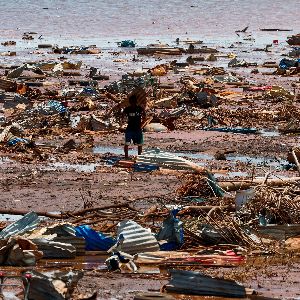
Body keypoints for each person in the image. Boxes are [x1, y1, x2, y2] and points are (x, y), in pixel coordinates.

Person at [123, 94, 145, 159]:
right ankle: (126, 157)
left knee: (140, 144)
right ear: (130, 102)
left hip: (137, 129)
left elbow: (144, 116)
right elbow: (122, 116)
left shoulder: (139, 109)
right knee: (127, 143)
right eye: (131, 102)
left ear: (135, 102)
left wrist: (143, 114)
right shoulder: (127, 109)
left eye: (134, 102)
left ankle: (139, 157)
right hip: (130, 129)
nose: (133, 103)